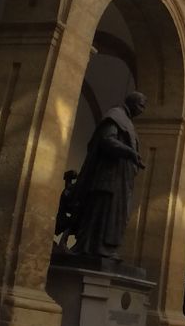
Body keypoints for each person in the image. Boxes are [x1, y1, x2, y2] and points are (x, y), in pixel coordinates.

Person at [62, 91, 147, 262]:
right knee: (101, 213)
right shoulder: (115, 116)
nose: (142, 110)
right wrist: (130, 152)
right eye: (141, 105)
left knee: (115, 215)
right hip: (107, 178)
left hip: (121, 180)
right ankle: (90, 248)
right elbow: (107, 140)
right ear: (131, 102)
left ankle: (106, 249)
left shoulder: (126, 121)